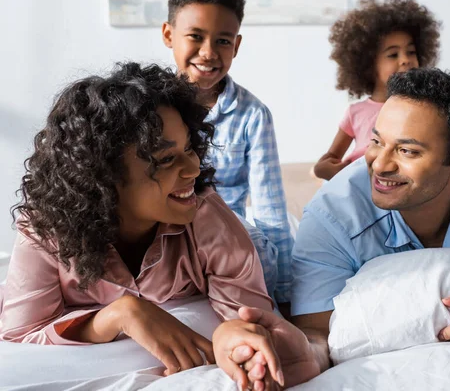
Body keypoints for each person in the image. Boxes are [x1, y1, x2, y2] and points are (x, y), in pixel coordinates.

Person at [214, 68, 450, 390]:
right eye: (376, 141)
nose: (380, 164)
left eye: (407, 151)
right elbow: (317, 334)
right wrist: (298, 354)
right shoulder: (332, 216)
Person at [0, 62, 277, 379]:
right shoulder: (45, 228)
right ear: (103, 176)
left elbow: (249, 320)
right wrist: (120, 314)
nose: (194, 168)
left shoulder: (205, 214)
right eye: (167, 159)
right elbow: (19, 337)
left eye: (189, 148)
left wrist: (237, 341)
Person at [162, 0, 294, 305]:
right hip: (163, 239)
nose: (208, 53)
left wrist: (286, 296)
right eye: (195, 36)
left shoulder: (253, 116)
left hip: (225, 247)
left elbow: (270, 212)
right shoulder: (149, 108)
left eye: (223, 41)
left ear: (236, 45)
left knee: (255, 241)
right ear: (169, 35)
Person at [313, 0, 441, 180]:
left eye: (411, 52)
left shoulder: (423, 110)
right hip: (358, 187)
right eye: (393, 55)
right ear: (368, 65)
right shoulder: (355, 113)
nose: (405, 60)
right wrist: (325, 170)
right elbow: (328, 160)